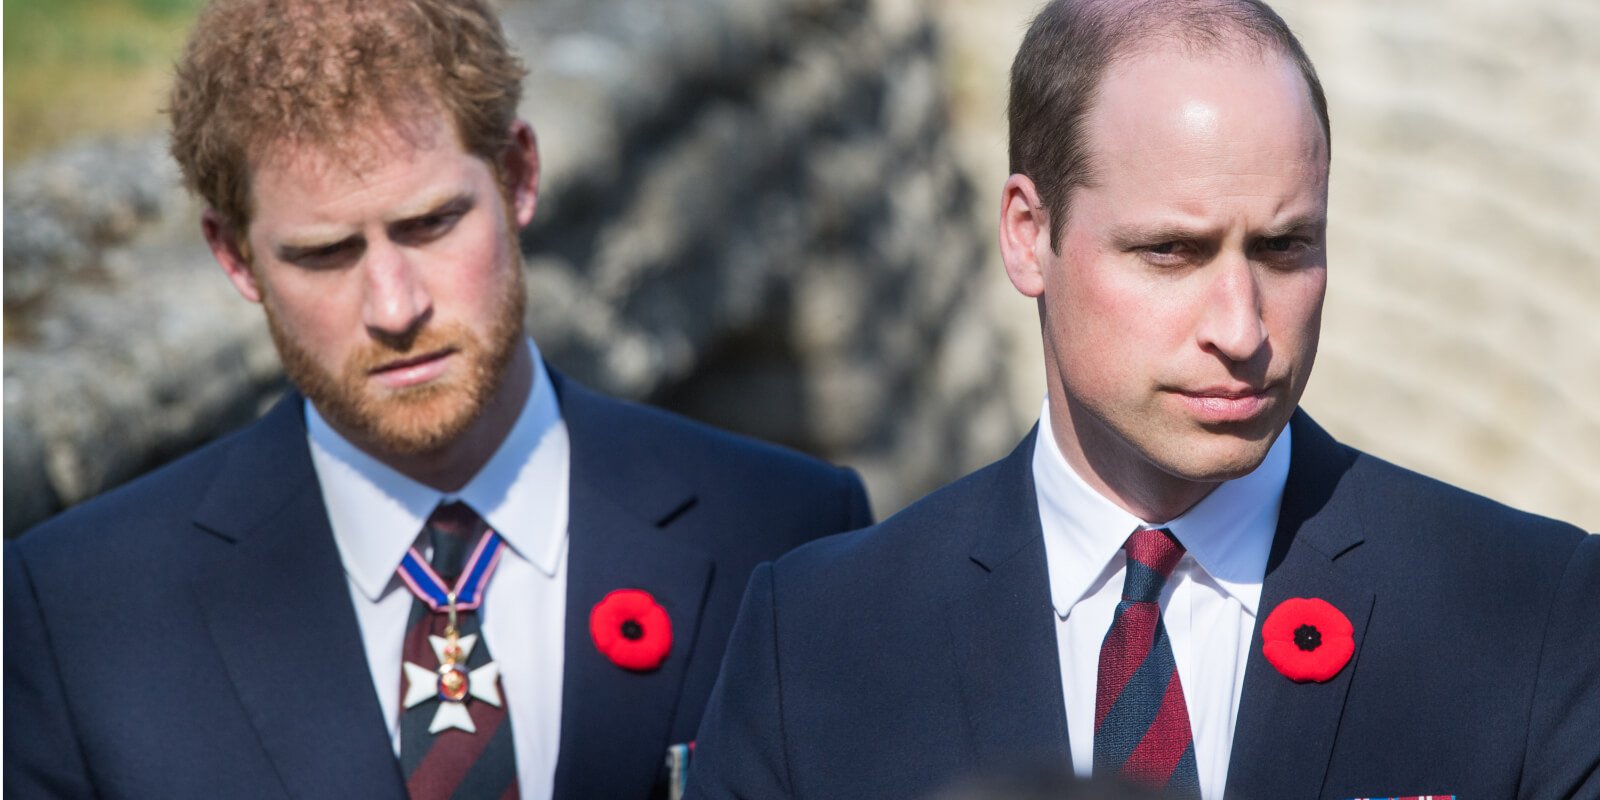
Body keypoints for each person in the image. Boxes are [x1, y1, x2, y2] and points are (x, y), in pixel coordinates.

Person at [686, 1, 1599, 798]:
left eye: (1285, 249)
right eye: (1171, 252)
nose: (1242, 330)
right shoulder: (813, 638)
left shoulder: (1535, 615)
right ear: (1026, 234)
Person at [2, 0, 872, 797]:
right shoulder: (78, 613)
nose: (395, 307)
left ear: (519, 176)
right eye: (324, 253)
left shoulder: (787, 531)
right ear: (234, 258)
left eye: (430, 225)